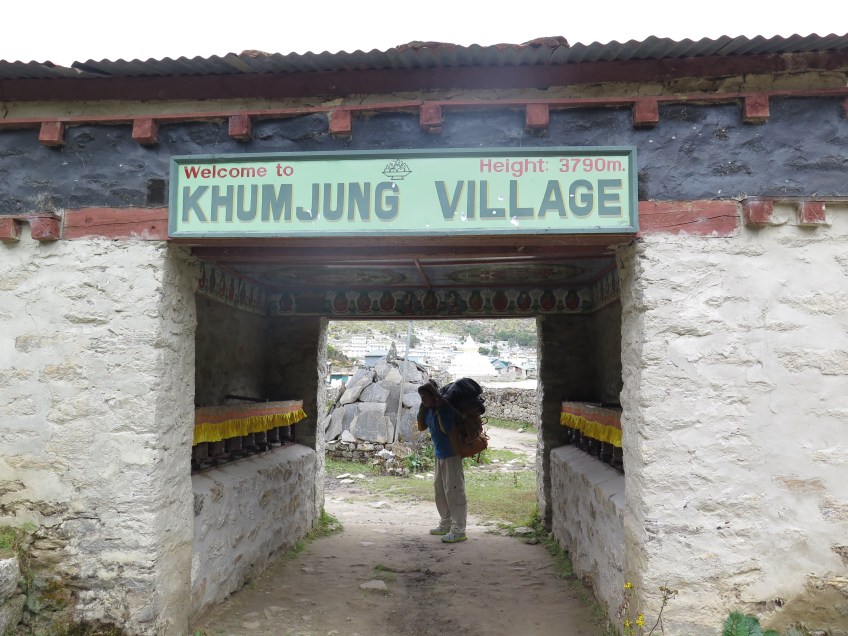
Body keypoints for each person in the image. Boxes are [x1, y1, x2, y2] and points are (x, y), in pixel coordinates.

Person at [417, 380, 467, 543]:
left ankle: (459, 530)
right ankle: (446, 523)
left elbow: (446, 428)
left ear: (434, 396)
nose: (423, 399)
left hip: (452, 455)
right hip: (439, 455)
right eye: (421, 397)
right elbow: (421, 427)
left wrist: (440, 408)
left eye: (426, 396)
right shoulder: (428, 410)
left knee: (454, 491)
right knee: (440, 491)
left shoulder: (444, 409)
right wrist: (423, 407)